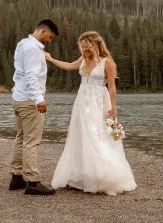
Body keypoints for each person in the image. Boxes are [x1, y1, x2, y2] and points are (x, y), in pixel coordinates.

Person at [46, 30, 136, 195]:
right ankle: (82, 175)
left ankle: (102, 175)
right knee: (81, 135)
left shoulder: (106, 62)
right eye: (82, 47)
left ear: (95, 45)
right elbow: (68, 66)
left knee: (97, 135)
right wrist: (51, 59)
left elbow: (112, 87)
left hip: (98, 103)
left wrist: (113, 108)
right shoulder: (83, 60)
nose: (85, 50)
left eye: (87, 47)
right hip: (82, 102)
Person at [9, 19, 59, 195]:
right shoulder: (32, 49)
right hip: (29, 101)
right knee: (32, 140)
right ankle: (33, 181)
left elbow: (21, 72)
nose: (49, 41)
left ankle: (16, 177)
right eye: (50, 37)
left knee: (21, 137)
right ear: (43, 32)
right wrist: (39, 99)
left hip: (18, 97)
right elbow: (31, 76)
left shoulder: (23, 43)